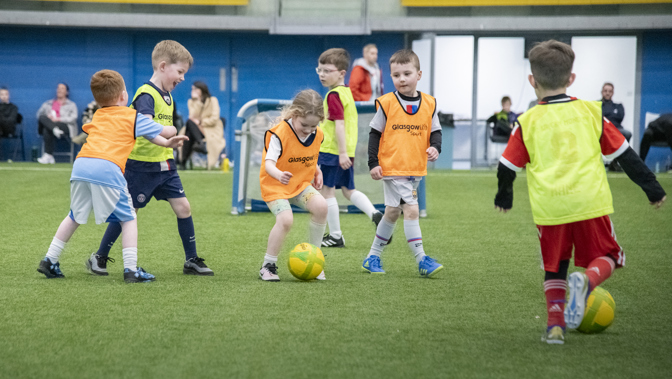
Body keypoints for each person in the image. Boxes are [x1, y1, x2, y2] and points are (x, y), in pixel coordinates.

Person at [493, 40, 666, 345]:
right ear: (571, 79)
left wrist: (504, 196)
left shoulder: (527, 121)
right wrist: (652, 188)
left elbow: (507, 166)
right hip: (590, 203)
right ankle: (587, 280)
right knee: (611, 255)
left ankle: (555, 327)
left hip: (550, 209)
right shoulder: (591, 112)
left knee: (555, 266)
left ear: (532, 81)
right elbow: (626, 155)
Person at [36, 69, 188, 283]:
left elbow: (151, 136)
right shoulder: (131, 116)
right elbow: (162, 131)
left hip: (81, 165)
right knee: (128, 218)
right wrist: (172, 130)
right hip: (108, 167)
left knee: (74, 215)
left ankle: (49, 260)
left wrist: (164, 142)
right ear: (123, 96)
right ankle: (131, 270)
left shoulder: (98, 115)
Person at [87, 40, 215, 277]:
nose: (183, 78)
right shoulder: (146, 94)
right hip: (141, 166)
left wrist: (169, 144)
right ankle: (99, 256)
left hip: (165, 165)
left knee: (183, 207)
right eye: (180, 72)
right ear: (163, 66)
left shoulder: (168, 97)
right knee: (129, 212)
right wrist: (167, 136)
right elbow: (146, 127)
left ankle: (191, 260)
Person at [361, 49, 444, 278]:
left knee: (391, 213)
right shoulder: (387, 103)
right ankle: (422, 259)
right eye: (396, 75)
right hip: (393, 168)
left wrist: (436, 147)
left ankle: (372, 256)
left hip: (413, 168)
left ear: (419, 74)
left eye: (407, 73)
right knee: (412, 210)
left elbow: (435, 130)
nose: (402, 79)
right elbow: (374, 133)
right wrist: (373, 162)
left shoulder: (429, 104)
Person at [316, 48, 384, 248]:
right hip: (347, 152)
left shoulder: (333, 96)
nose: (322, 74)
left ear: (341, 73)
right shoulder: (346, 93)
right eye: (319, 70)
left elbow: (340, 125)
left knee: (327, 192)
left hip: (332, 152)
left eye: (327, 70)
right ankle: (374, 213)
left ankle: (336, 236)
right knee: (348, 190)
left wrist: (342, 153)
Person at [258, 89, 327, 281]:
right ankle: (267, 266)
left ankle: (316, 260)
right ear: (294, 114)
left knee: (322, 207)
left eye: (313, 126)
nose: (308, 130)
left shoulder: (317, 134)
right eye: (304, 125)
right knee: (286, 220)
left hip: (299, 184)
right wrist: (279, 175)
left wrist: (317, 170)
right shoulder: (279, 133)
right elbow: (269, 164)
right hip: (275, 185)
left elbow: (310, 155)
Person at [180, 81, 226, 170]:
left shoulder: (212, 100)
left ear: (202, 90)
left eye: (196, 89)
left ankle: (183, 162)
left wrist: (201, 122)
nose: (193, 91)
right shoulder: (191, 101)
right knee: (189, 127)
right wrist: (197, 101)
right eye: (192, 89)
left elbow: (215, 118)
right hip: (196, 129)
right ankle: (200, 143)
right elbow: (192, 116)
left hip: (210, 129)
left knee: (188, 131)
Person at [36, 83, 78, 164]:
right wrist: (48, 117)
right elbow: (39, 115)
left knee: (47, 128)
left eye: (62, 88)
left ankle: (48, 155)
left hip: (65, 126)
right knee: (43, 120)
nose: (59, 90)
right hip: (52, 126)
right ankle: (54, 130)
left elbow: (73, 118)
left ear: (67, 92)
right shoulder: (48, 103)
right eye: (58, 88)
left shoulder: (71, 105)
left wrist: (59, 119)